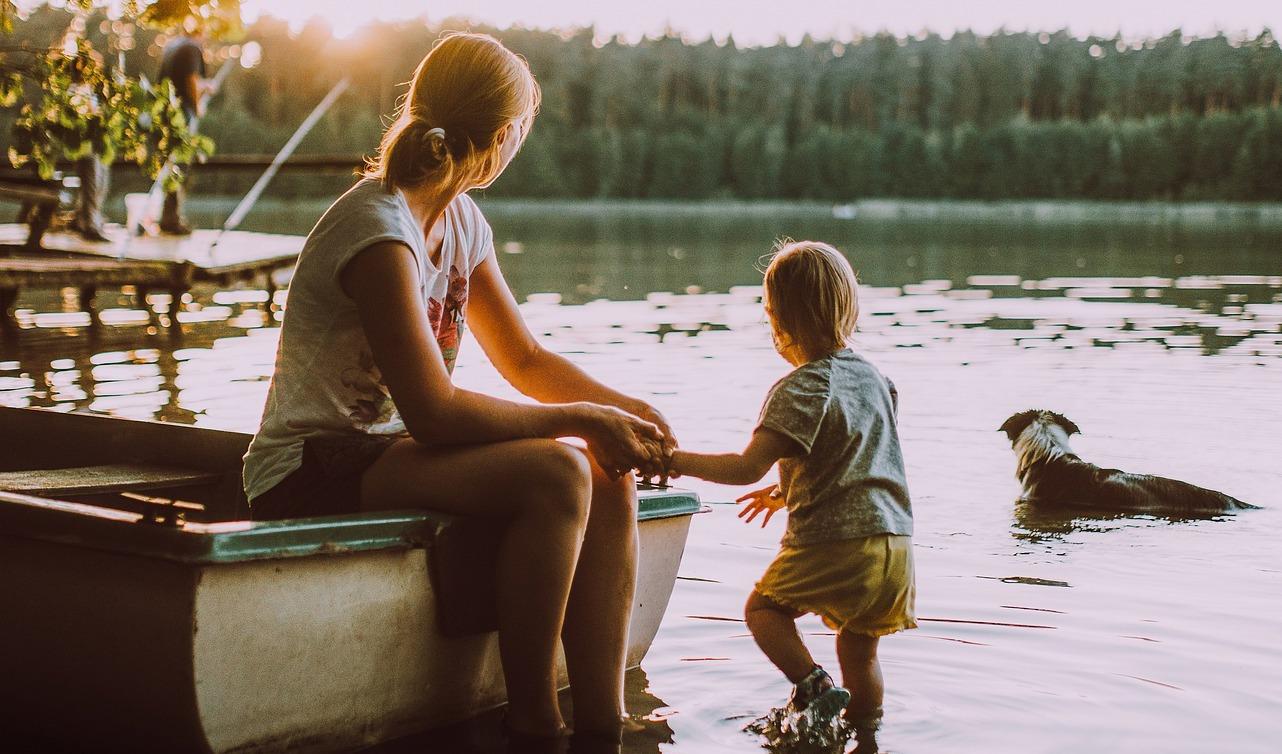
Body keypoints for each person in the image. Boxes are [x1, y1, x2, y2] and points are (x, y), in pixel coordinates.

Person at [242, 33, 675, 751]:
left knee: (608, 472)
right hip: (307, 468)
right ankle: (534, 724)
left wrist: (622, 412)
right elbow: (436, 413)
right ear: (503, 137)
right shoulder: (379, 230)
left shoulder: (462, 221)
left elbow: (525, 357)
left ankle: (605, 727)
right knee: (561, 469)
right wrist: (583, 419)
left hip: (387, 454)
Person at [666, 241, 915, 754]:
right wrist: (785, 492)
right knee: (860, 651)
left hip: (836, 541)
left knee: (764, 611)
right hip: (895, 548)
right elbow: (855, 458)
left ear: (779, 319)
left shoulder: (801, 388)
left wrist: (673, 460)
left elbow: (744, 467)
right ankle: (865, 736)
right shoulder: (878, 382)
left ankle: (813, 684)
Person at [156, 29, 210, 234]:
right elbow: (191, 80)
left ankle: (168, 217)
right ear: (200, 33)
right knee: (179, 165)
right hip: (182, 113)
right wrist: (197, 107)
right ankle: (171, 219)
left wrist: (205, 88)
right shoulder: (192, 47)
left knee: (169, 163)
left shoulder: (171, 46)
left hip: (165, 111)